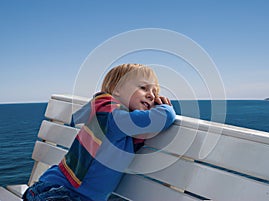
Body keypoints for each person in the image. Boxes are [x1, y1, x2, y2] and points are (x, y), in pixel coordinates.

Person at [22, 63, 176, 201]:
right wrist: (164, 106)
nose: (151, 95)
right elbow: (164, 117)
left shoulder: (122, 124)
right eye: (143, 88)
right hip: (60, 192)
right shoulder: (111, 116)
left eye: (155, 92)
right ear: (116, 90)